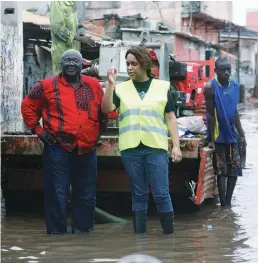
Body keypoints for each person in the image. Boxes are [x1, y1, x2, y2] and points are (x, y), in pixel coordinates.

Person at [21, 49, 105, 235]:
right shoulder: (45, 85)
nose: (71, 65)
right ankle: (56, 236)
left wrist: (99, 133)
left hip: (86, 149)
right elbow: (27, 106)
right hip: (58, 148)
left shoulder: (94, 85)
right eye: (67, 61)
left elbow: (105, 111)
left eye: (75, 61)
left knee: (86, 194)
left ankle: (83, 234)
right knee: (56, 193)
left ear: (81, 64)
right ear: (61, 63)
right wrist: (39, 131)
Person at [101, 46, 182, 235]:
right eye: (128, 64)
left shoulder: (162, 87)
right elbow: (106, 108)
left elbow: (170, 117)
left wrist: (176, 146)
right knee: (139, 194)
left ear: (144, 64)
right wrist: (110, 85)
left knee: (161, 194)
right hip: (131, 149)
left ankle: (168, 238)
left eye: (134, 64)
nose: (130, 67)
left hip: (156, 147)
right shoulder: (121, 89)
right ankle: (140, 240)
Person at [204, 56, 246, 208]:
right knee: (221, 171)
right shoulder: (210, 87)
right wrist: (211, 139)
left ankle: (228, 203)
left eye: (229, 69)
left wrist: (242, 133)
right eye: (223, 70)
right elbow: (209, 114)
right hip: (218, 135)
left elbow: (234, 112)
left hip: (232, 134)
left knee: (234, 169)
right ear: (216, 71)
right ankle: (223, 204)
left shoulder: (235, 86)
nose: (227, 73)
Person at [50, 1, 95, 74]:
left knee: (73, 80)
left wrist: (81, 25)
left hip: (74, 50)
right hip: (62, 51)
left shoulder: (72, 3)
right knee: (61, 80)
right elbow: (58, 28)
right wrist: (79, 38)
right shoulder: (57, 3)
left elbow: (69, 26)